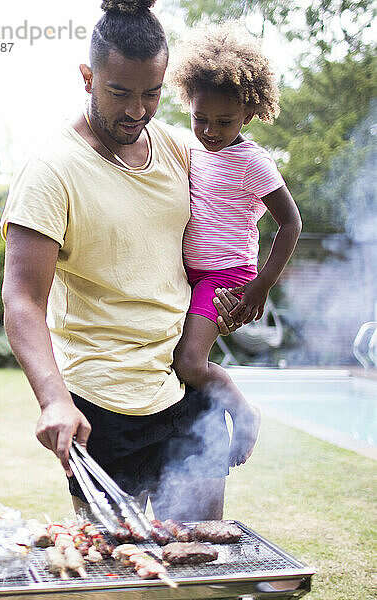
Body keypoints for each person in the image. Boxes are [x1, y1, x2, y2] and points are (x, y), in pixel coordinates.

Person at [0, 0, 240, 521]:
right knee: (117, 574)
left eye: (151, 94)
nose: (136, 111)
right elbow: (21, 300)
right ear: (87, 77)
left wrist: (243, 291)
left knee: (198, 561)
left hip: (182, 389)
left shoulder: (178, 149)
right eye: (119, 93)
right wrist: (52, 399)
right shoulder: (52, 170)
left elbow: (223, 231)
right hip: (102, 408)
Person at [168, 20, 302, 465]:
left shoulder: (253, 162)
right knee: (174, 359)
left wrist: (261, 286)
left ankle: (244, 413)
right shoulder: (191, 148)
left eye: (223, 122)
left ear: (247, 114)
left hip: (227, 276)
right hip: (191, 275)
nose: (209, 130)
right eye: (200, 117)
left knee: (189, 362)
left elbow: (291, 224)